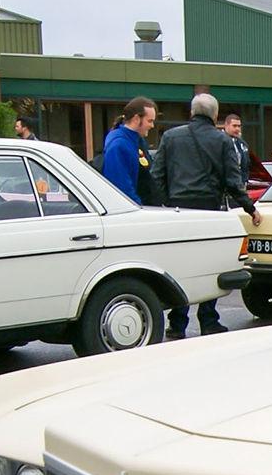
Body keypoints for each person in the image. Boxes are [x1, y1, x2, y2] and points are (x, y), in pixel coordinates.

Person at [153, 92, 262, 338]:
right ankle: (208, 318)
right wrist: (251, 208)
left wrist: (164, 203)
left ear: (191, 112)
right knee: (209, 265)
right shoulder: (222, 141)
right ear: (215, 116)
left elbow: (157, 176)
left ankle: (178, 320)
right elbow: (234, 183)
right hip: (209, 210)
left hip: (177, 211)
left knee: (179, 265)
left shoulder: (170, 137)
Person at [101, 97, 156, 204]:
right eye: (149, 121)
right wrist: (140, 210)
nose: (152, 126)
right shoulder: (118, 146)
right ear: (136, 119)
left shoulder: (137, 141)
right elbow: (121, 189)